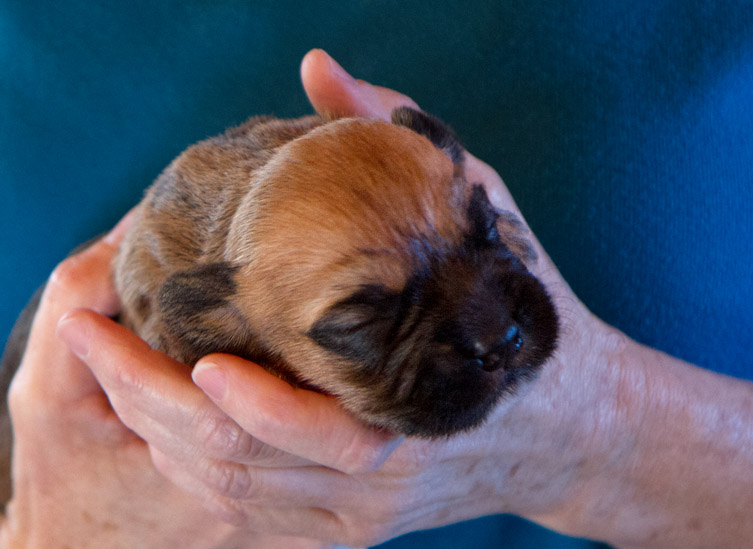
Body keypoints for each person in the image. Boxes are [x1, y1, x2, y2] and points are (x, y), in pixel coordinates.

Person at [1, 49, 751, 548]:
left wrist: (607, 435)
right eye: (366, 315)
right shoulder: (203, 311)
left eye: (481, 230)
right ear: (205, 328)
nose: (492, 328)